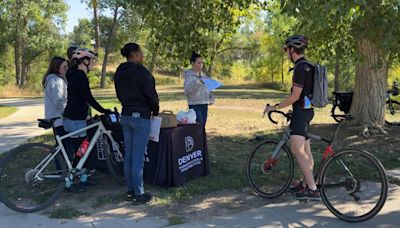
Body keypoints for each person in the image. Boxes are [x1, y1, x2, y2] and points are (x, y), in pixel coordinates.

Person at [263, 35, 320, 201]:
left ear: (292, 50)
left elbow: (295, 96)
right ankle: (306, 183)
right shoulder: (309, 66)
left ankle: (312, 188)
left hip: (300, 113)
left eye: (286, 49)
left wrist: (276, 106)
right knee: (306, 151)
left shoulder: (300, 68)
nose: (286, 52)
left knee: (297, 150)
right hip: (308, 111)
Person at [114, 42, 159, 205]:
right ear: (135, 54)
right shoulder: (142, 73)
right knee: (138, 157)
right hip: (141, 116)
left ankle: (130, 189)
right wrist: (155, 111)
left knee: (129, 155)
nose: (143, 56)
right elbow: (152, 96)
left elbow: (119, 94)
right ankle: (138, 193)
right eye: (141, 53)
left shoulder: (119, 72)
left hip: (125, 115)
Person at [63, 48, 110, 192]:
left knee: (81, 150)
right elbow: (88, 97)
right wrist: (104, 110)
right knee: (82, 150)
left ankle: (82, 177)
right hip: (75, 120)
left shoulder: (74, 75)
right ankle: (70, 182)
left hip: (74, 118)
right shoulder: (80, 76)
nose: (93, 64)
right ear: (84, 61)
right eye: (92, 61)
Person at [183, 51, 215, 125]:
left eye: (202, 63)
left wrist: (211, 97)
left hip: (204, 104)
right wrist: (198, 82)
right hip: (195, 105)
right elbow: (187, 90)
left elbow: (208, 90)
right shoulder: (189, 76)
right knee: (198, 126)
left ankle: (202, 137)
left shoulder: (204, 76)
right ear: (193, 63)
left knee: (202, 126)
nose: (201, 65)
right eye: (198, 63)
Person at [43, 56, 68, 136]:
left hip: (57, 120)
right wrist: (68, 115)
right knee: (64, 146)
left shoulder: (52, 79)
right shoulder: (56, 81)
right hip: (60, 121)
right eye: (64, 67)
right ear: (57, 67)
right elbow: (59, 101)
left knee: (61, 146)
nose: (67, 68)